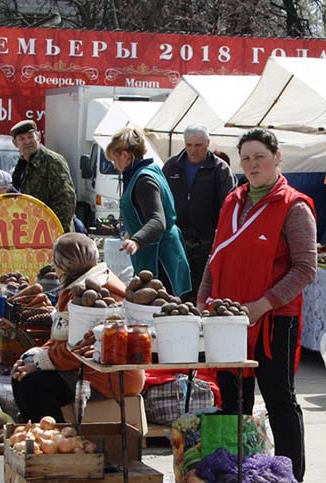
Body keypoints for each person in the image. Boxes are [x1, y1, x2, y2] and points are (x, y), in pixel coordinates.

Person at [197, 128, 317, 482]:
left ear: (277, 158)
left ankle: (289, 480)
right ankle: (233, 477)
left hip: (274, 320)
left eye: (260, 157)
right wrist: (203, 298)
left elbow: (305, 269)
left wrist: (263, 304)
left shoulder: (294, 207)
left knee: (279, 399)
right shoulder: (233, 201)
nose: (252, 164)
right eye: (246, 158)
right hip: (228, 319)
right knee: (233, 401)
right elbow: (215, 255)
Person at [12, 233, 144, 422]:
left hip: (108, 379)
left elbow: (80, 350)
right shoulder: (77, 291)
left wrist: (38, 363)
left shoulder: (93, 296)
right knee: (21, 375)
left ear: (63, 266)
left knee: (32, 385)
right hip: (84, 369)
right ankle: (36, 435)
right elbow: (63, 340)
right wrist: (32, 356)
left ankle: (57, 439)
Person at [107, 127, 192, 298]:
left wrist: (136, 241)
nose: (115, 166)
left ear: (124, 155)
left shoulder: (144, 180)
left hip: (160, 259)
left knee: (161, 316)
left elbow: (158, 221)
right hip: (165, 253)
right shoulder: (152, 170)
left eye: (114, 160)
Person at [162, 124, 237, 298]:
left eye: (198, 145)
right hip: (177, 242)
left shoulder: (221, 169)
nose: (193, 150)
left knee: (203, 293)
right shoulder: (171, 166)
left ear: (208, 143)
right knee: (175, 292)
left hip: (207, 243)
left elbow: (230, 207)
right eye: (189, 145)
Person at [9, 119, 76, 231]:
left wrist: (53, 230)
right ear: (15, 143)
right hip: (29, 231)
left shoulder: (52, 161)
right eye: (22, 139)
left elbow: (66, 200)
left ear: (38, 137)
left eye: (31, 137)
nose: (27, 141)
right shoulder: (22, 165)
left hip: (51, 233)